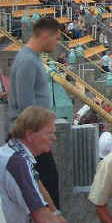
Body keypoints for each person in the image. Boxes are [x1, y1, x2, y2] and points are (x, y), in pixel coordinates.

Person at [8, 17, 62, 209]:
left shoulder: (32, 59)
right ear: (45, 35)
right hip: (31, 143)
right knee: (46, 198)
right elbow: (26, 110)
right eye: (56, 38)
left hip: (36, 140)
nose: (57, 43)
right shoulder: (27, 61)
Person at [0, 106, 65, 223]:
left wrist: (56, 214)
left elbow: (37, 185)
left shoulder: (12, 152)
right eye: (49, 133)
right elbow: (41, 216)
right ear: (29, 135)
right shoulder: (18, 163)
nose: (54, 138)